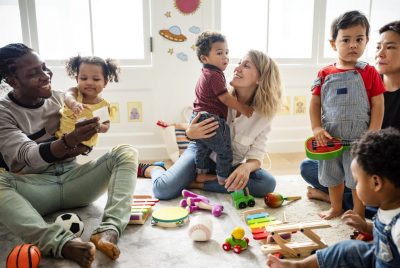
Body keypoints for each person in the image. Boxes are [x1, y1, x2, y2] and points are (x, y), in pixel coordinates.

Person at [0, 43, 138, 267]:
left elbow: (89, 135)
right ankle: (59, 243)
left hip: (73, 179)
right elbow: (28, 155)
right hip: (35, 187)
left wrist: (90, 136)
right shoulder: (3, 112)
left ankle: (109, 231)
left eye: (44, 68)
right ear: (12, 81)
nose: (45, 76)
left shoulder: (61, 99)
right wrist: (69, 140)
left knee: (125, 152)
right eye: (34, 73)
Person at [139, 49, 282, 200]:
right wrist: (190, 133)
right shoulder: (218, 95)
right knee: (163, 190)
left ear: (260, 78)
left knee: (267, 183)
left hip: (229, 164)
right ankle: (155, 169)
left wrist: (246, 167)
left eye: (246, 66)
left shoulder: (264, 115)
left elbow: (256, 156)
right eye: (239, 63)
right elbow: (193, 125)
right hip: (201, 155)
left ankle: (197, 184)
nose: (237, 68)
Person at [301, 20, 400, 219]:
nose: (380, 53)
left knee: (363, 181)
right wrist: (318, 128)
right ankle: (341, 203)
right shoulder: (343, 75)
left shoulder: (367, 75)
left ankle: (354, 206)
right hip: (343, 148)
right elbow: (317, 102)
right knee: (310, 167)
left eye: (390, 47)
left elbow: (378, 109)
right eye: (379, 47)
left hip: (385, 166)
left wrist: (371, 140)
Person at [267, 127, 400, 268]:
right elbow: (385, 233)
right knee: (349, 249)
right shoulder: (388, 206)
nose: (354, 186)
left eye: (357, 181)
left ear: (376, 183)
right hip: (378, 256)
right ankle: (299, 266)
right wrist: (365, 227)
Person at [190, 31, 253, 185]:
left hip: (198, 116)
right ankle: (223, 178)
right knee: (224, 151)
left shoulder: (205, 73)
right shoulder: (215, 74)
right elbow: (225, 98)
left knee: (202, 148)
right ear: (205, 58)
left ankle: (201, 173)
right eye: (219, 53)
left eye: (226, 52)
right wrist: (243, 108)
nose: (225, 56)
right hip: (210, 119)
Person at [55, 55, 119, 152]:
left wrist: (99, 127)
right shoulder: (75, 93)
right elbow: (68, 96)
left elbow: (106, 126)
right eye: (84, 78)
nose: (89, 82)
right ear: (77, 79)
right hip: (62, 140)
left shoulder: (103, 105)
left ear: (105, 82)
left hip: (84, 145)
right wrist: (74, 104)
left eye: (96, 79)